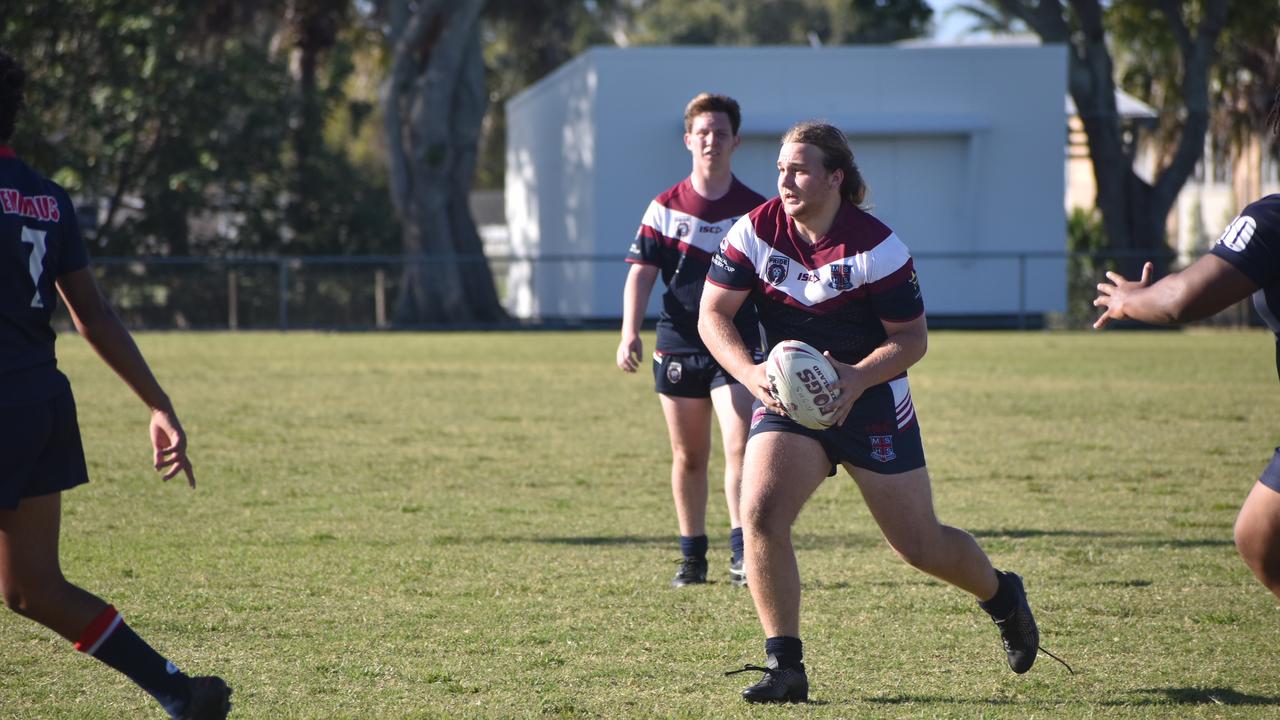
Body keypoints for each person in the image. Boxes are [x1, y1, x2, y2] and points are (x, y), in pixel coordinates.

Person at [700, 120, 1046, 703]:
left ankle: (1002, 596)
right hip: (787, 399)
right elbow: (713, 314)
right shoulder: (754, 232)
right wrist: (755, 375)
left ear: (835, 177)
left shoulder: (877, 247)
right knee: (759, 512)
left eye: (800, 169)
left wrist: (856, 378)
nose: (785, 180)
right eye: (781, 168)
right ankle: (785, 667)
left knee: (918, 545)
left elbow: (911, 340)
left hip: (873, 399)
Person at [0, 52, 231, 719]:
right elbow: (92, 315)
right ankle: (179, 692)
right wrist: (157, 404)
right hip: (39, 401)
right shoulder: (47, 198)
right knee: (32, 590)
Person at [1093, 88, 1280, 602]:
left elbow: (1183, 299)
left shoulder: (1272, 221)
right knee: (1260, 535)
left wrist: (1132, 299)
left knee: (1261, 537)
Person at [616, 93, 767, 587]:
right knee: (689, 456)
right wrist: (628, 334)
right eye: (703, 132)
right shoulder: (664, 208)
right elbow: (640, 275)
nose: (711, 140)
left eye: (721, 132)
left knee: (741, 443)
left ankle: (743, 552)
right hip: (678, 342)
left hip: (735, 344)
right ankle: (692, 556)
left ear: (736, 141)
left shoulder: (756, 212)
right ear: (688, 140)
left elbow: (774, 280)